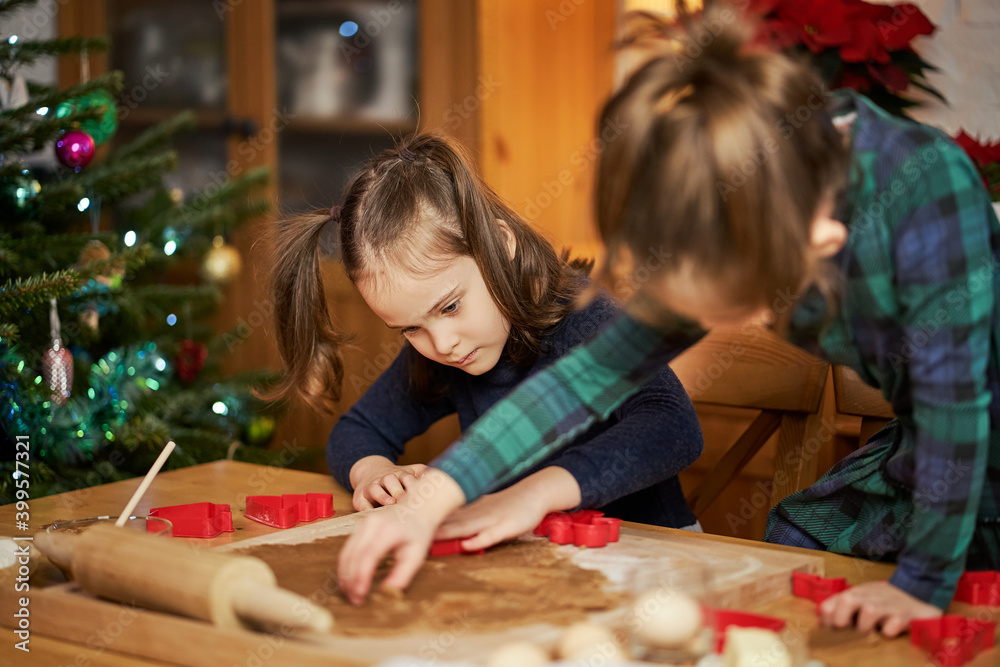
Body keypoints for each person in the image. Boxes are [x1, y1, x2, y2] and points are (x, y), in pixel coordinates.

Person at [336, 6, 1000, 639]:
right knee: (792, 562)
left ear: (820, 239)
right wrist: (444, 492)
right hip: (927, 445)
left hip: (973, 439)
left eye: (744, 300)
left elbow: (957, 410)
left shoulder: (926, 191)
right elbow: (590, 374)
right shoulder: (726, 187)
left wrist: (920, 583)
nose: (710, 323)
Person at [265, 133, 704, 554]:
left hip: (651, 556)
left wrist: (538, 493)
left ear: (502, 245)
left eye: (451, 306)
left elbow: (673, 427)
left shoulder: (585, 318)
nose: (442, 344)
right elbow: (358, 430)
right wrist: (375, 473)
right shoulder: (444, 343)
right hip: (537, 563)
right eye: (410, 330)